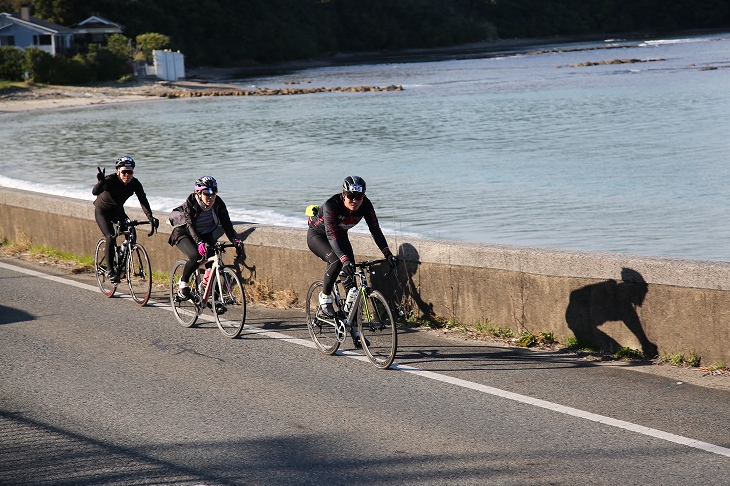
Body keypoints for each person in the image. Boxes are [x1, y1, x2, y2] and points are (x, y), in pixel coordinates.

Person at [307, 176, 397, 347]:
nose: (354, 200)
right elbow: (331, 236)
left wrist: (387, 254)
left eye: (359, 197)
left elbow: (375, 230)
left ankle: (355, 332)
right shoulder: (331, 205)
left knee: (353, 288)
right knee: (337, 261)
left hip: (340, 237)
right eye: (350, 196)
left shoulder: (366, 205)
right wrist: (344, 259)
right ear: (343, 194)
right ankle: (324, 297)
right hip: (319, 237)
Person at [168, 176, 245, 301]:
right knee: (196, 256)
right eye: (207, 193)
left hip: (204, 233)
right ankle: (183, 284)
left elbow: (227, 224)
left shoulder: (218, 203)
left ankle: (213, 299)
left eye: (214, 191)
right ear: (198, 193)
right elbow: (190, 225)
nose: (211, 196)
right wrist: (199, 242)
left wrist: (235, 240)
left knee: (214, 260)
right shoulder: (191, 202)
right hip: (184, 233)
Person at [93, 155, 158, 283]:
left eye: (130, 172)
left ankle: (122, 261)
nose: (127, 175)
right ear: (118, 171)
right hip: (103, 212)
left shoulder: (135, 183)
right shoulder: (110, 180)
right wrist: (100, 183)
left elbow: (143, 200)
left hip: (118, 212)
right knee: (110, 237)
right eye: (124, 172)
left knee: (132, 234)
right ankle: (110, 270)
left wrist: (150, 217)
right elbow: (95, 192)